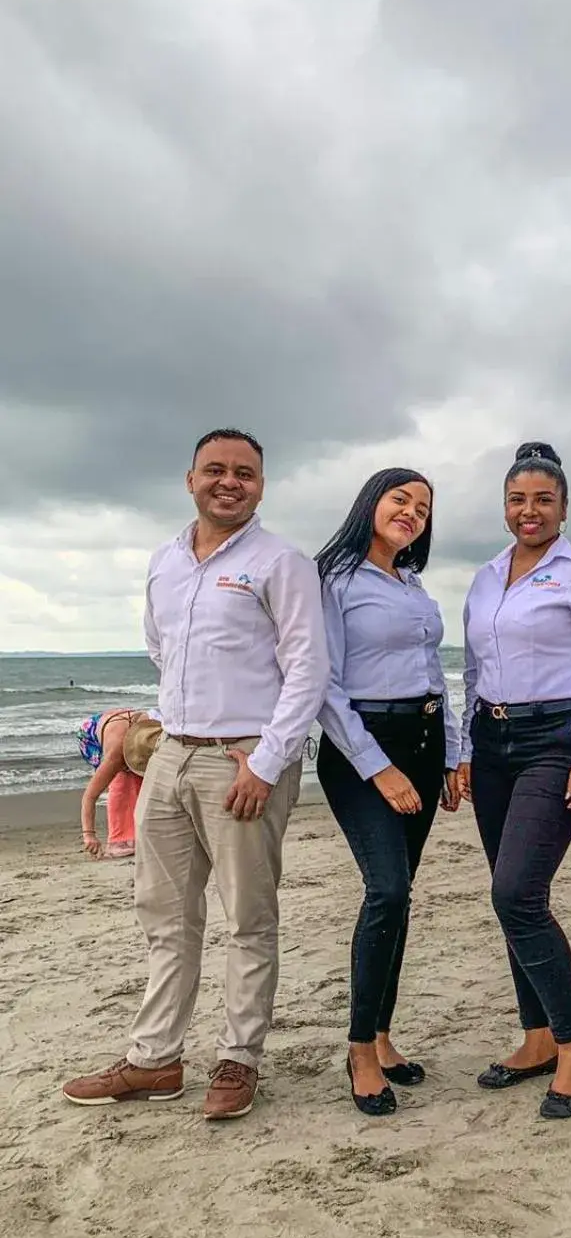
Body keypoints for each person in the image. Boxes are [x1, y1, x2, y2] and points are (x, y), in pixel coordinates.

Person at [63, 429, 330, 1121]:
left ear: (261, 487)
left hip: (244, 759)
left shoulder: (282, 562)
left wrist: (267, 761)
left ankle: (239, 1060)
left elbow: (308, 671)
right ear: (191, 480)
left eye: (245, 473)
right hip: (171, 754)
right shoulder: (165, 562)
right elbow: (161, 649)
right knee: (164, 914)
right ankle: (155, 1061)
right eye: (216, 470)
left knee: (247, 917)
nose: (229, 482)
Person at [459, 443, 571, 1121]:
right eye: (518, 500)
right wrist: (463, 747)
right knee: (512, 897)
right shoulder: (485, 576)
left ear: (563, 507)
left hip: (555, 740)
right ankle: (537, 1038)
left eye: (543, 500)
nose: (529, 511)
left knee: (516, 892)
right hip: (491, 744)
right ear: (505, 506)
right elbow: (470, 669)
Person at [315, 468, 462, 1117]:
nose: (412, 513)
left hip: (425, 748)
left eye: (423, 508)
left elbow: (436, 676)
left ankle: (381, 1032)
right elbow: (324, 686)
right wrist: (379, 768)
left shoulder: (414, 583)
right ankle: (359, 1049)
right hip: (362, 754)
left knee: (401, 896)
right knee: (388, 890)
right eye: (401, 499)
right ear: (370, 503)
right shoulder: (334, 580)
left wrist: (455, 754)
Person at [78, 709, 162, 858]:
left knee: (139, 778)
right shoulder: (115, 756)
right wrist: (89, 835)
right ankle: (119, 839)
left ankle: (136, 835)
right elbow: (89, 797)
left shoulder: (156, 732)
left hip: (130, 725)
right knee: (119, 781)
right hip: (91, 733)